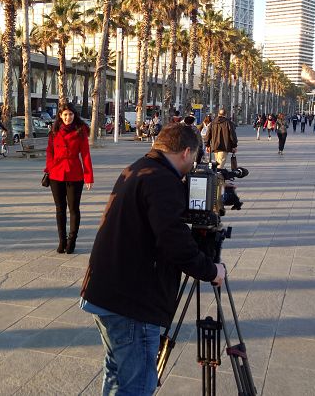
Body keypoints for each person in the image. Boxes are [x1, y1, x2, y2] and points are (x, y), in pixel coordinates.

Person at [80, 123, 226, 395]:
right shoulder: (162, 181)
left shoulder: (140, 168)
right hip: (131, 303)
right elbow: (174, 244)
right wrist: (211, 270)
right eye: (195, 157)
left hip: (106, 293)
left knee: (117, 374)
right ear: (185, 152)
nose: (194, 164)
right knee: (137, 385)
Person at [45, 103, 94, 254]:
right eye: (65, 115)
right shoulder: (54, 132)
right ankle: (62, 240)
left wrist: (88, 177)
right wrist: (49, 168)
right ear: (60, 116)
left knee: (73, 209)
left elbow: (85, 155)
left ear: (74, 115)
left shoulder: (80, 132)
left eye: (71, 114)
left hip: (74, 173)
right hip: (56, 174)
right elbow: (49, 152)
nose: (68, 118)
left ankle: (72, 241)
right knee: (60, 209)